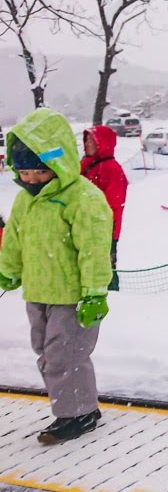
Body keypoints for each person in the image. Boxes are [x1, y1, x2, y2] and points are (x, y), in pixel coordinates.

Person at [0, 109, 113, 444]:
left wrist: (95, 292)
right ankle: (78, 405)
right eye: (25, 171)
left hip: (73, 296)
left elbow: (93, 248)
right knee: (46, 354)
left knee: (66, 356)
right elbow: (15, 239)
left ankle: (77, 414)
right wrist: (8, 270)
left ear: (58, 163)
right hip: (38, 292)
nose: (31, 178)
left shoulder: (82, 198)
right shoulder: (25, 200)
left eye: (39, 170)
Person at [81, 126, 127, 291]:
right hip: (82, 227)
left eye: (92, 140)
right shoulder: (85, 163)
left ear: (103, 143)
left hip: (104, 229)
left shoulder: (111, 169)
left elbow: (111, 205)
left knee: (105, 268)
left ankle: (113, 297)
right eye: (86, 139)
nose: (87, 144)